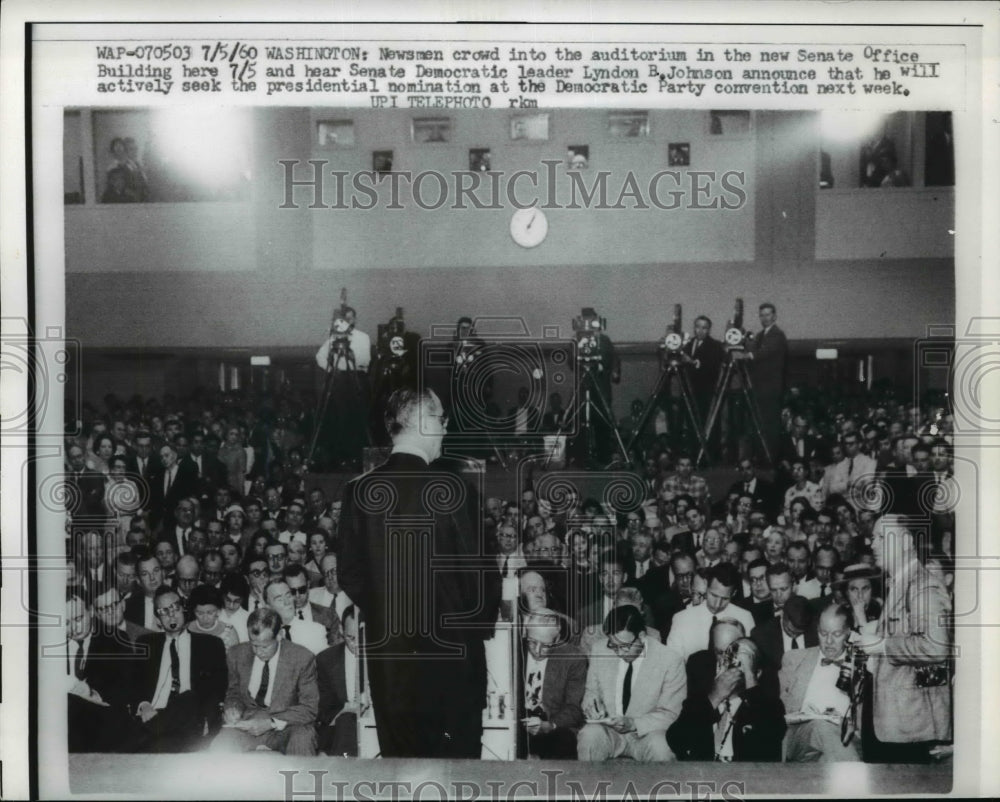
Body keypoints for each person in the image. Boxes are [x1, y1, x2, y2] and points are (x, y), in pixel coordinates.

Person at [337, 387, 500, 758]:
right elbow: (480, 581)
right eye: (441, 420)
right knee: (457, 782)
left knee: (403, 777)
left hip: (390, 667)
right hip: (452, 667)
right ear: (424, 423)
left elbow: (350, 575)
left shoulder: (357, 492)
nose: (445, 429)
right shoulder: (454, 490)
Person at [856, 515, 952, 762]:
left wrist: (882, 645)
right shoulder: (901, 583)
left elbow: (936, 646)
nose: (872, 544)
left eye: (880, 537)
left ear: (906, 541)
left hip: (912, 724)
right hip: (896, 720)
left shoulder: (922, 586)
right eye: (873, 538)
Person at [577, 605, 685, 762]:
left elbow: (671, 714)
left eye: (625, 647)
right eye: (614, 646)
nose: (620, 653)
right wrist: (592, 707)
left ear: (641, 636)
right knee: (589, 735)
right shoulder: (600, 650)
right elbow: (591, 691)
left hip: (647, 733)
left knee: (662, 748)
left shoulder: (670, 660)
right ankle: (588, 786)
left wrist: (634, 724)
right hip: (609, 732)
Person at [129, 586, 228, 752]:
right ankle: (152, 736)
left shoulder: (210, 644)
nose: (171, 614)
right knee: (167, 744)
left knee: (188, 698)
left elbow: (218, 687)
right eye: (163, 611)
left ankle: (144, 739)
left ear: (184, 610)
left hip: (191, 716)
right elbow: (132, 682)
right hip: (153, 714)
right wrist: (144, 704)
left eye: (175, 607)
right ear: (158, 620)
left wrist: (205, 715)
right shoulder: (145, 643)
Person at [212, 607, 319, 755]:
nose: (258, 651)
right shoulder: (236, 654)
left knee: (303, 739)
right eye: (254, 644)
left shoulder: (302, 658)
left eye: (265, 646)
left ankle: (302, 778)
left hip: (287, 727)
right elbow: (234, 693)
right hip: (248, 725)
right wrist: (232, 708)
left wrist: (271, 722)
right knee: (220, 745)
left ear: (280, 635)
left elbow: (309, 708)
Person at [668, 636, 785, 761]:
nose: (735, 659)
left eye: (746, 657)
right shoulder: (702, 701)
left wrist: (749, 676)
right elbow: (676, 740)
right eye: (730, 654)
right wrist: (714, 698)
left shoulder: (770, 706)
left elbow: (768, 744)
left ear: (758, 673)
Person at [779, 602, 863, 762]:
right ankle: (855, 781)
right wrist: (808, 716)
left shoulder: (862, 665)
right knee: (821, 726)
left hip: (845, 740)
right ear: (817, 631)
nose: (829, 641)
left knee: (826, 758)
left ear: (848, 633)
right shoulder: (794, 659)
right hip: (800, 737)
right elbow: (779, 711)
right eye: (823, 633)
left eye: (836, 634)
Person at [518, 609, 586, 759]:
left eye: (546, 645)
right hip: (519, 721)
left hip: (552, 723)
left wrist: (549, 726)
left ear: (557, 639)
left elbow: (574, 709)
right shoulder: (515, 651)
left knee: (564, 741)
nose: (537, 651)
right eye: (532, 642)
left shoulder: (574, 659)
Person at [314, 305, 372, 468]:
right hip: (339, 381)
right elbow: (319, 356)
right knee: (339, 418)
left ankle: (357, 457)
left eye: (351, 318)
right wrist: (333, 369)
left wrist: (349, 365)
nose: (349, 321)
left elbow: (364, 360)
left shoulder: (363, 337)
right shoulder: (334, 338)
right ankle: (339, 457)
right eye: (346, 318)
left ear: (355, 319)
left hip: (356, 378)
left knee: (358, 419)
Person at [733, 302, 787, 465]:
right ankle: (762, 456)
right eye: (761, 315)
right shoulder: (760, 335)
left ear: (774, 316)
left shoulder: (777, 334)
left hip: (769, 389)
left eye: (768, 314)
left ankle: (769, 459)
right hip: (759, 389)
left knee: (769, 425)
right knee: (760, 424)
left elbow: (763, 353)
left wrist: (746, 355)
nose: (764, 318)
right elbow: (754, 349)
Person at [666, 564, 755, 661]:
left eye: (725, 598)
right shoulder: (682, 619)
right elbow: (673, 661)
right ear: (706, 586)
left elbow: (750, 659)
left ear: (733, 594)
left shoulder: (745, 617)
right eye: (714, 595)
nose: (717, 604)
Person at [315, 604, 366, 756]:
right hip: (338, 726)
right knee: (346, 721)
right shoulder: (325, 660)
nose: (358, 645)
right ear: (342, 631)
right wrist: (345, 708)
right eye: (351, 638)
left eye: (362, 638)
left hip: (374, 722)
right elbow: (322, 708)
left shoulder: (383, 660)